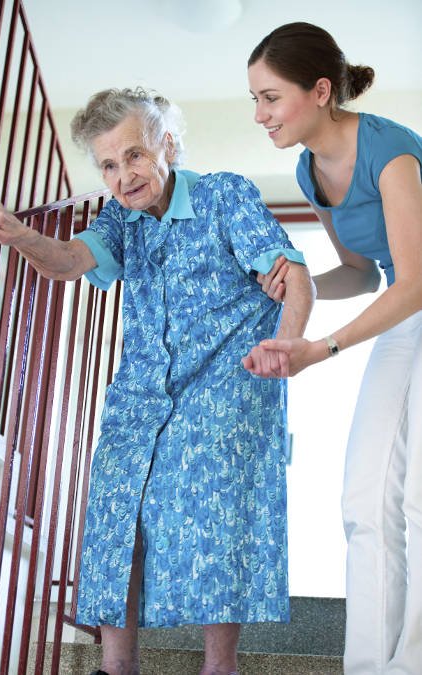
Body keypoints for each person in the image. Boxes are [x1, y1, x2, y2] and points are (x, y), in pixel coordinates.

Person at [0, 87, 314, 675]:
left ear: (168, 145)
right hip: (140, 395)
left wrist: (289, 344)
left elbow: (293, 276)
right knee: (113, 519)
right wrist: (21, 236)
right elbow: (71, 261)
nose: (123, 175)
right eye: (108, 164)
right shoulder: (121, 218)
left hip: (221, 388)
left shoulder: (223, 195)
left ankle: (219, 667)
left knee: (213, 521)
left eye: (134, 155)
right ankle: (117, 667)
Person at [246, 21, 422, 675]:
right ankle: (372, 665)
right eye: (255, 100)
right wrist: (287, 282)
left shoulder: (391, 150)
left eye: (270, 97)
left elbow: (416, 279)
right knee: (363, 498)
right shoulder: (310, 167)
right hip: (407, 308)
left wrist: (323, 347)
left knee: (415, 498)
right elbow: (362, 274)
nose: (260, 114)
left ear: (320, 90)